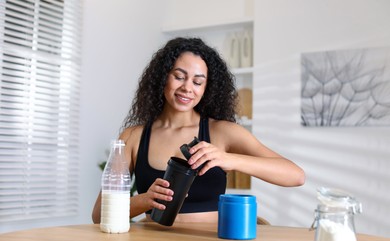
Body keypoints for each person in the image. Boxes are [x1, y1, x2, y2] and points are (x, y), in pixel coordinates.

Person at [92, 37, 305, 224]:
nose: (187, 87)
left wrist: (229, 159)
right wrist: (143, 200)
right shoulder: (133, 137)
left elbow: (295, 176)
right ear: (162, 77)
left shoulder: (223, 132)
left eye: (197, 81)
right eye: (179, 76)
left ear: (206, 89)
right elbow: (99, 215)